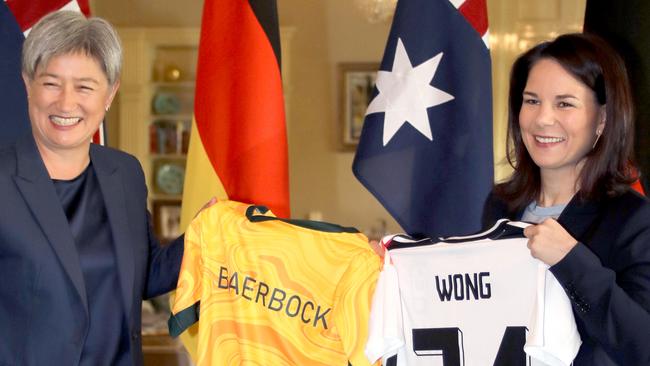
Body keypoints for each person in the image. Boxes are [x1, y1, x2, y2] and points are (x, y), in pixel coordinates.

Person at [0, 11, 214, 365]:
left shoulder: (124, 172)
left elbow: (143, 276)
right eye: (51, 83)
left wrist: (205, 233)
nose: (66, 103)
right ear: (27, 84)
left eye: (84, 86)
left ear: (110, 93)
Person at [482, 33, 650, 365]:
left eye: (564, 103)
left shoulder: (634, 220)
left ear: (602, 118)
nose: (542, 119)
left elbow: (642, 347)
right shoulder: (499, 206)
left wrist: (570, 260)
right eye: (531, 101)